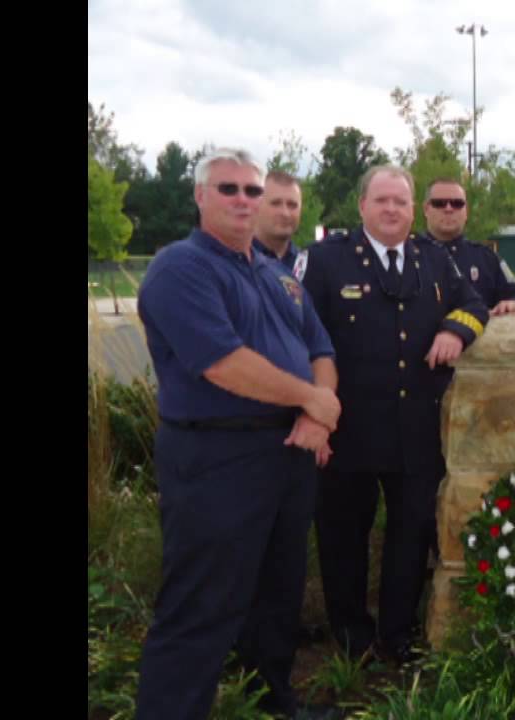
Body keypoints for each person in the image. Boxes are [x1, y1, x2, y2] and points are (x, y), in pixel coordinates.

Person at [134, 148, 341, 719]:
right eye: (229, 189)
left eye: (253, 190)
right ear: (200, 196)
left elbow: (320, 348)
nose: (244, 200)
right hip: (217, 457)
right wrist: (311, 400)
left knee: (277, 595)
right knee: (200, 606)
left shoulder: (277, 274)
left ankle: (273, 705)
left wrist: (316, 416)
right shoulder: (181, 268)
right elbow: (223, 363)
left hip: (288, 452)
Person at [297, 165, 489, 664]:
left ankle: (397, 634)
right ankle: (351, 636)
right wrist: (312, 414)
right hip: (348, 429)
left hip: (414, 431)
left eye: (400, 202)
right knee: (343, 537)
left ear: (412, 209)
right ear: (362, 205)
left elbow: (474, 305)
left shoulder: (433, 258)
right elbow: (300, 338)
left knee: (410, 535)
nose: (391, 209)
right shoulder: (325, 260)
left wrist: (454, 331)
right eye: (381, 200)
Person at [417, 177, 515, 316]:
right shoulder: (409, 257)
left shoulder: (487, 259)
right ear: (426, 209)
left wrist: (511, 304)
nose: (449, 209)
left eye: (457, 204)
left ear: (466, 211)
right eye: (439, 203)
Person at [253, 170, 304, 270]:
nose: (285, 213)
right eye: (275, 203)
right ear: (256, 206)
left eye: (292, 205)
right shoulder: (236, 263)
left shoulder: (307, 265)